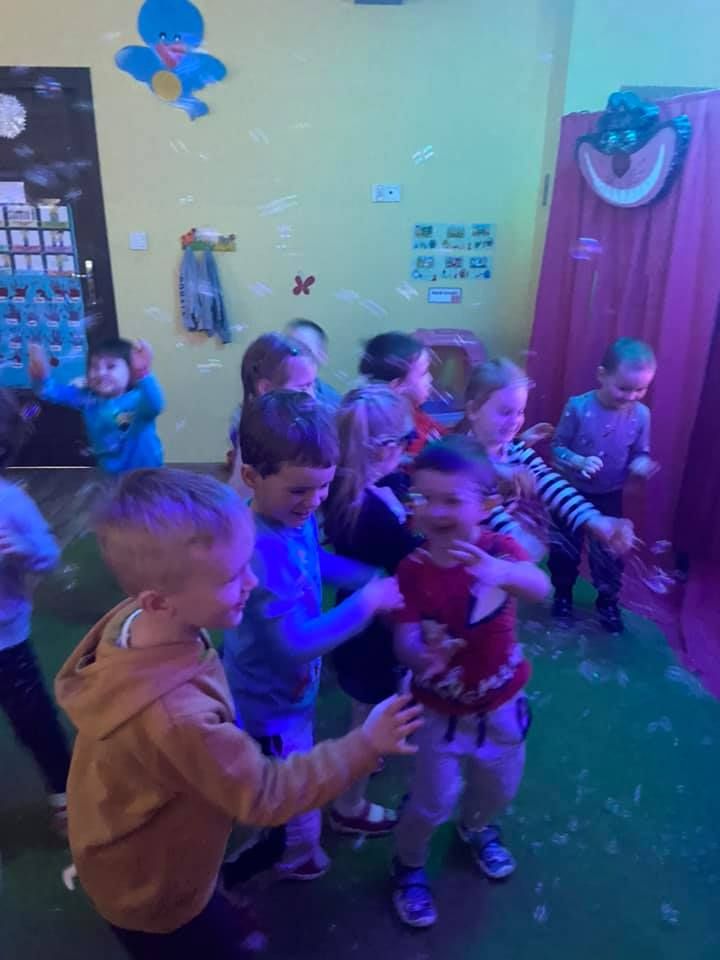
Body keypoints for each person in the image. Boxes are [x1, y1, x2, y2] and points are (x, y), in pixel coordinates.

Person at [55, 468, 422, 959]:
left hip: (134, 845)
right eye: (232, 577)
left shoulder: (135, 621)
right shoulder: (177, 717)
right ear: (159, 601)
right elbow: (266, 794)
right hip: (154, 892)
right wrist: (365, 744)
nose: (253, 581)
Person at [223, 391, 405, 881]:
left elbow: (314, 560)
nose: (315, 501)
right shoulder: (259, 550)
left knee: (288, 773)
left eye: (324, 486)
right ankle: (285, 859)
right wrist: (365, 603)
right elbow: (292, 646)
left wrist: (364, 576)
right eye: (300, 489)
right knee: (289, 794)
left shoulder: (288, 517)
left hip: (291, 695)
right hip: (268, 704)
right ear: (252, 477)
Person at [389, 436, 550, 928]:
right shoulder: (413, 568)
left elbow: (540, 587)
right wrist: (420, 656)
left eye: (451, 500)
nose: (436, 511)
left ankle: (476, 828)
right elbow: (404, 634)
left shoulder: (500, 549)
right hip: (438, 712)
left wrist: (501, 572)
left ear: (485, 506)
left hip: (501, 706)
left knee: (498, 787)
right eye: (424, 498)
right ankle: (409, 864)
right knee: (430, 802)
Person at [324, 385, 422, 833]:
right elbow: (409, 562)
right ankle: (349, 806)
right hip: (374, 630)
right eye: (407, 440)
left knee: (366, 706)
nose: (410, 449)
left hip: (358, 619)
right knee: (369, 719)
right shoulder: (372, 511)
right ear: (385, 448)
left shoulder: (348, 491)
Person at [459, 357, 635, 564]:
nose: (515, 421)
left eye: (520, 412)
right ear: (473, 410)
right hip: (465, 556)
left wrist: (594, 519)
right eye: (505, 412)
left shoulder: (516, 450)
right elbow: (480, 505)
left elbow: (550, 482)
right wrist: (514, 534)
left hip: (499, 557)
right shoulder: (457, 457)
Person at [549, 337, 658, 633]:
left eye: (641, 389)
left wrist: (641, 463)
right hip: (569, 494)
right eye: (623, 388)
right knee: (564, 549)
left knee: (609, 555)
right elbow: (556, 447)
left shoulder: (641, 415)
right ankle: (562, 595)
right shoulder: (578, 407)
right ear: (601, 375)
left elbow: (640, 452)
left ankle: (607, 602)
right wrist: (578, 461)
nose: (632, 396)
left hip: (609, 496)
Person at [0, 389, 69, 831]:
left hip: (7, 641)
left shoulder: (11, 502)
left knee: (34, 720)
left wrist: (24, 549)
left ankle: (64, 790)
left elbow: (48, 554)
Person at [29, 337, 164, 474]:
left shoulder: (137, 399)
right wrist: (41, 378)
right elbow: (49, 392)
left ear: (130, 371)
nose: (101, 373)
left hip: (146, 473)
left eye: (110, 366)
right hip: (110, 475)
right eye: (94, 367)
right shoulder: (86, 398)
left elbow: (156, 405)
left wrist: (142, 372)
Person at [359, 331, 444, 456]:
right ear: (396, 386)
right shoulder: (389, 433)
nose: (430, 379)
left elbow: (443, 434)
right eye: (423, 373)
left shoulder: (413, 410)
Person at [285, 318, 341, 409]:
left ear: (321, 356)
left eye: (302, 349)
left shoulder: (332, 405)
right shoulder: (267, 386)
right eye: (286, 346)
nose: (291, 354)